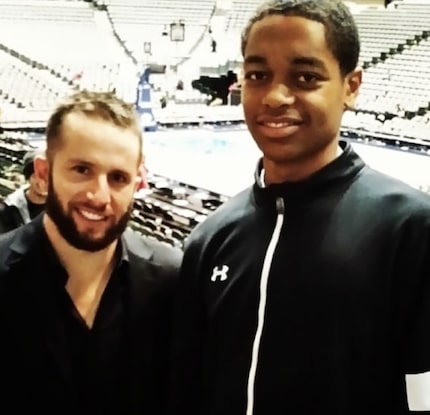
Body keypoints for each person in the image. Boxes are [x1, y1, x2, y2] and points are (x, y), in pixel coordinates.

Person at [168, 1, 430, 414]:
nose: (274, 96)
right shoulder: (210, 238)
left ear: (351, 86)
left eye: (305, 77)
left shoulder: (411, 228)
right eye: (258, 76)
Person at [0, 90, 182, 414]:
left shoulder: (174, 283)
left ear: (137, 182)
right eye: (82, 170)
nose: (99, 196)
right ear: (43, 173)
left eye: (117, 178)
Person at [0, 148, 47, 233]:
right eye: (37, 175)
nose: (43, 180)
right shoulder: (9, 210)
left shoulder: (62, 206)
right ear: (28, 178)